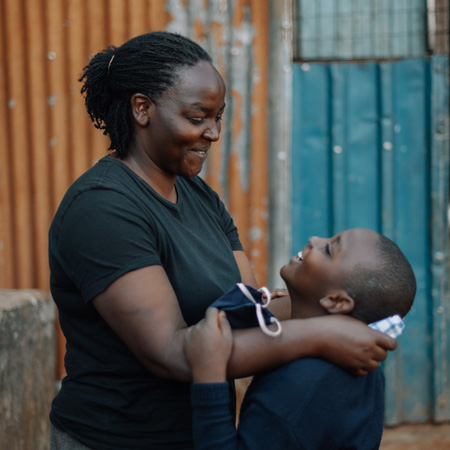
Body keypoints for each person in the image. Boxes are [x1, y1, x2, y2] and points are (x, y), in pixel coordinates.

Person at [48, 31, 396, 450]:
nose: (213, 133)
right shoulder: (102, 209)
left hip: (200, 434)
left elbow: (249, 308)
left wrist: (350, 305)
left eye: (218, 117)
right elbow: (174, 352)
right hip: (115, 439)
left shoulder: (196, 193)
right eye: (197, 118)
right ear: (142, 109)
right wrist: (322, 334)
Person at [184, 228, 416, 450]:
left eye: (328, 250)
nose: (315, 239)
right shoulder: (362, 359)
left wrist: (209, 375)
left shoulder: (299, 385)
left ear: (336, 301)